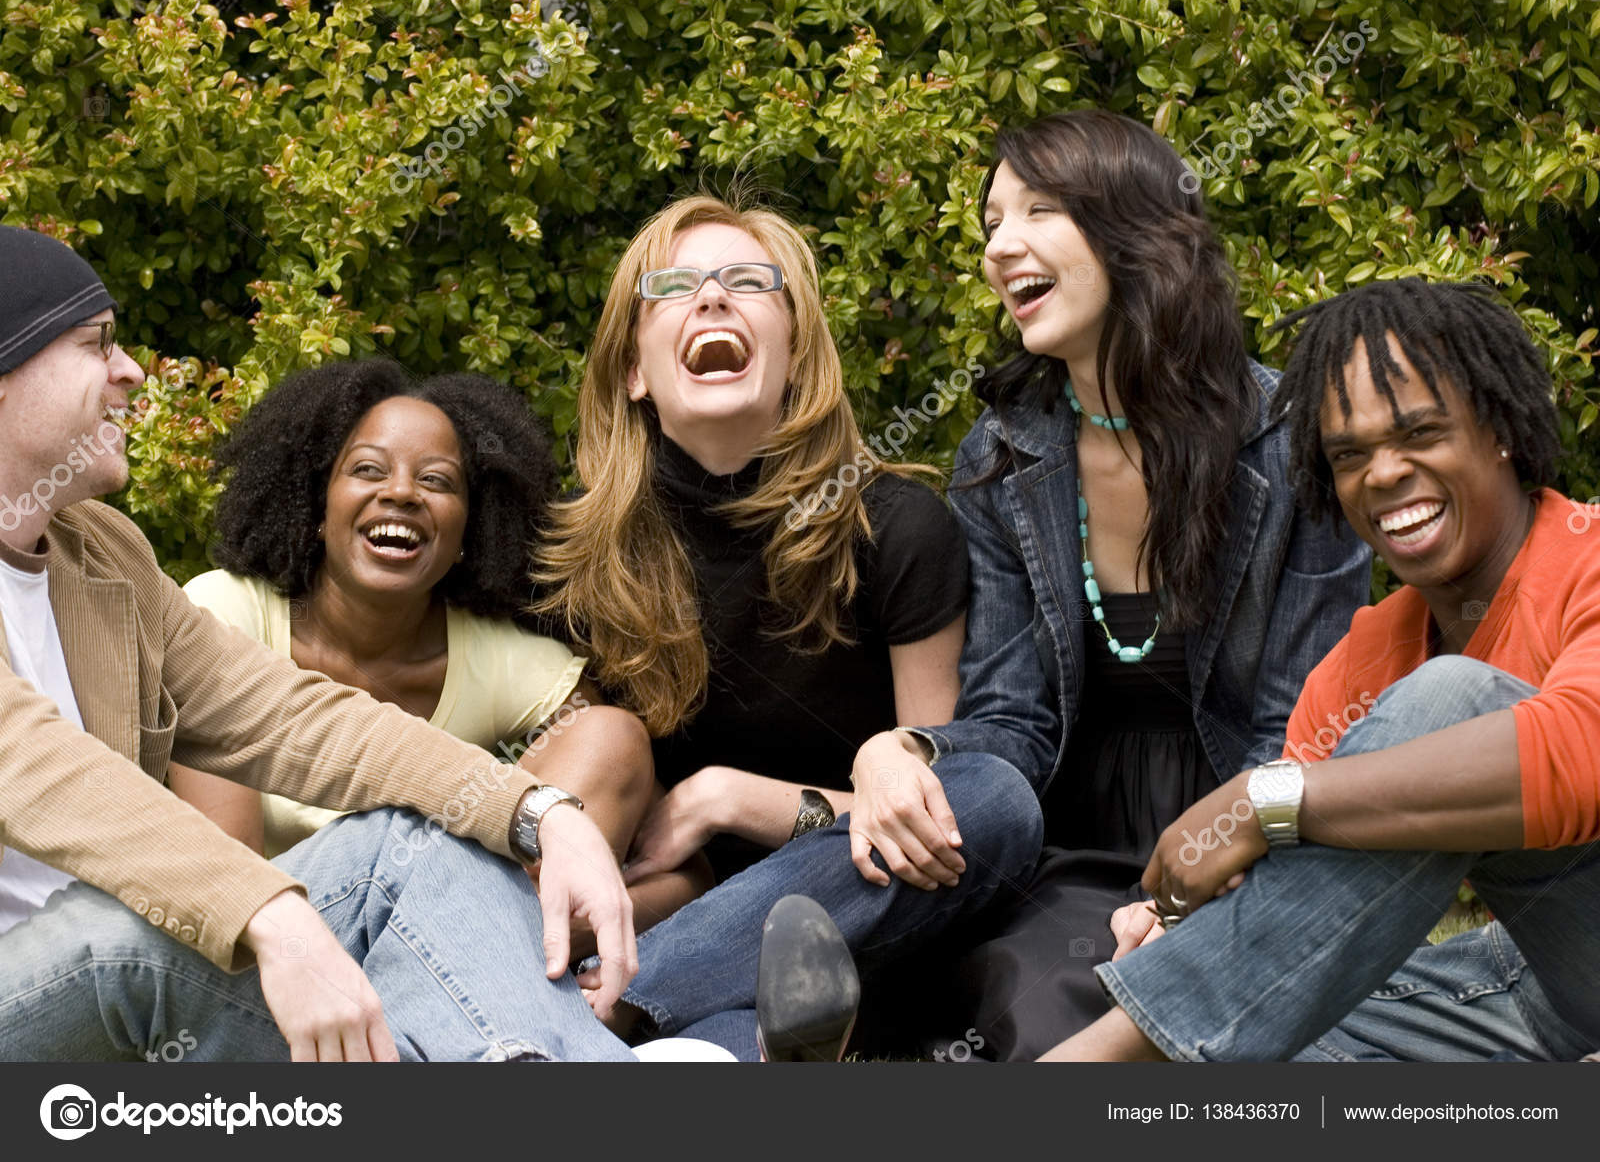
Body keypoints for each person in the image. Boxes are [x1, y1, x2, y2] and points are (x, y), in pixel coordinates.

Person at [0, 223, 639, 1062]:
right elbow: (40, 770)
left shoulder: (103, 554)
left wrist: (535, 812)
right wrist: (271, 910)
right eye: (95, 345)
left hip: (115, 982)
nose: (128, 372)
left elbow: (290, 717)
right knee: (134, 934)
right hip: (48, 982)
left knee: (420, 839)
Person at [850, 110, 1371, 1060]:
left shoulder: (1290, 445)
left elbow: (1305, 727)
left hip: (1250, 837)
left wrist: (1194, 886)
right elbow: (1015, 719)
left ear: (1135, 226)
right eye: (991, 222)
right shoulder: (1005, 455)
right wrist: (906, 745)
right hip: (1067, 854)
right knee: (1019, 1000)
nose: (1000, 245)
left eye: (1038, 209)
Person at [533, 194, 1044, 1059]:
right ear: (634, 371)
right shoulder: (576, 556)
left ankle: (612, 1005)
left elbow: (936, 814)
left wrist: (724, 799)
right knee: (735, 1040)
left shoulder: (895, 528)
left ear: (797, 352)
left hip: (859, 914)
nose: (714, 298)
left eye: (746, 281)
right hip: (687, 933)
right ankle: (644, 1010)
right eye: (678, 286)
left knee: (996, 797)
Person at [1043, 278, 1600, 1062]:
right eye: (1349, 455)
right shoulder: (1369, 658)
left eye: (1421, 434)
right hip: (1515, 987)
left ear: (1500, 428)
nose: (1382, 473)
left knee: (1455, 701)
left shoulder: (1590, 553)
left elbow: (1577, 757)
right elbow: (1295, 880)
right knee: (1280, 1020)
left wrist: (1262, 795)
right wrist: (1185, 922)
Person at [166, 363, 704, 957]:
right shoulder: (223, 613)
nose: (400, 492)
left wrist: (600, 921)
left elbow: (685, 873)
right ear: (317, 507)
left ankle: (503, 967)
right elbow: (231, 890)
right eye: (368, 469)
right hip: (276, 966)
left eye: (438, 481)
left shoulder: (502, 662)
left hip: (455, 953)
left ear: (469, 531)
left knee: (609, 734)